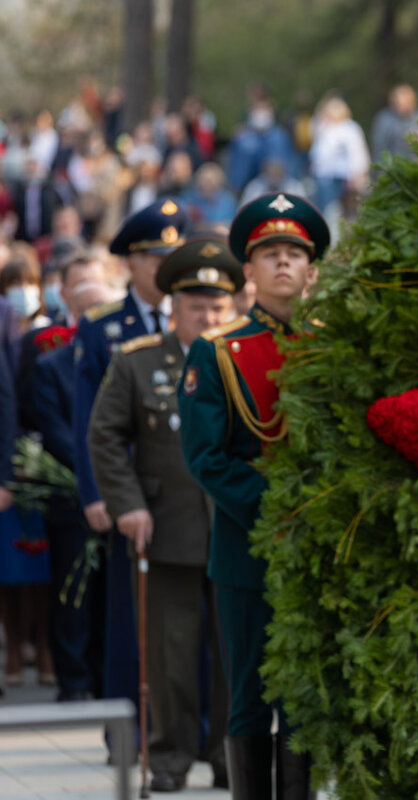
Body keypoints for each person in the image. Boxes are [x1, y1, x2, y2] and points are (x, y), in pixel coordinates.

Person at [178, 193, 328, 798]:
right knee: (249, 700)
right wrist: (281, 510)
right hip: (250, 550)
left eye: (295, 253)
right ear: (249, 272)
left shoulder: (333, 347)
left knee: (304, 700)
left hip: (320, 547)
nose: (284, 263)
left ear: (312, 270)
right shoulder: (216, 352)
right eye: (271, 254)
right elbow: (205, 457)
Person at [88, 237, 238, 790]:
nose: (208, 317)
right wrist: (126, 504)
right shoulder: (139, 361)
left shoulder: (244, 360)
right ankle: (170, 758)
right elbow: (105, 436)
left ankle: (230, 757)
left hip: (235, 532)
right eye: (196, 307)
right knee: (170, 657)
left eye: (218, 308)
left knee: (235, 657)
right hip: (166, 528)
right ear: (173, 306)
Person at [72, 199, 186, 725]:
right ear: (130, 264)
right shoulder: (101, 329)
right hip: (128, 492)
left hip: (184, 494)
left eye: (172, 253)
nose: (165, 264)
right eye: (154, 256)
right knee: (129, 614)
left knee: (186, 615)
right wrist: (96, 493)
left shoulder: (198, 321)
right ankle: (128, 725)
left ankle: (189, 722)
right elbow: (87, 420)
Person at [32, 279, 119, 702]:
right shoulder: (51, 366)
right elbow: (59, 435)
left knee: (109, 596)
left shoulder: (124, 361)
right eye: (89, 311)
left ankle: (106, 678)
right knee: (73, 596)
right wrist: (96, 475)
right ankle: (74, 680)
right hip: (71, 501)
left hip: (121, 498)